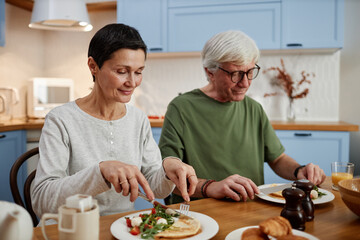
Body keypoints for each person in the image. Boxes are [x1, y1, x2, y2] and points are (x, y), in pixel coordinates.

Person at [31, 23, 197, 217]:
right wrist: (100, 173)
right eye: (121, 71)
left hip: (120, 227)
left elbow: (155, 188)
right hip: (70, 229)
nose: (132, 82)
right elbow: (41, 201)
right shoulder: (61, 120)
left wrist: (167, 171)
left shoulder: (138, 119)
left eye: (139, 71)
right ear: (93, 66)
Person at [158, 30, 326, 204]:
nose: (245, 83)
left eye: (250, 72)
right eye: (235, 74)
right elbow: (166, 179)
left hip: (249, 209)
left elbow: (277, 159)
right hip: (199, 214)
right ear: (210, 72)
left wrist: (299, 170)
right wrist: (211, 187)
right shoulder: (181, 108)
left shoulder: (254, 109)